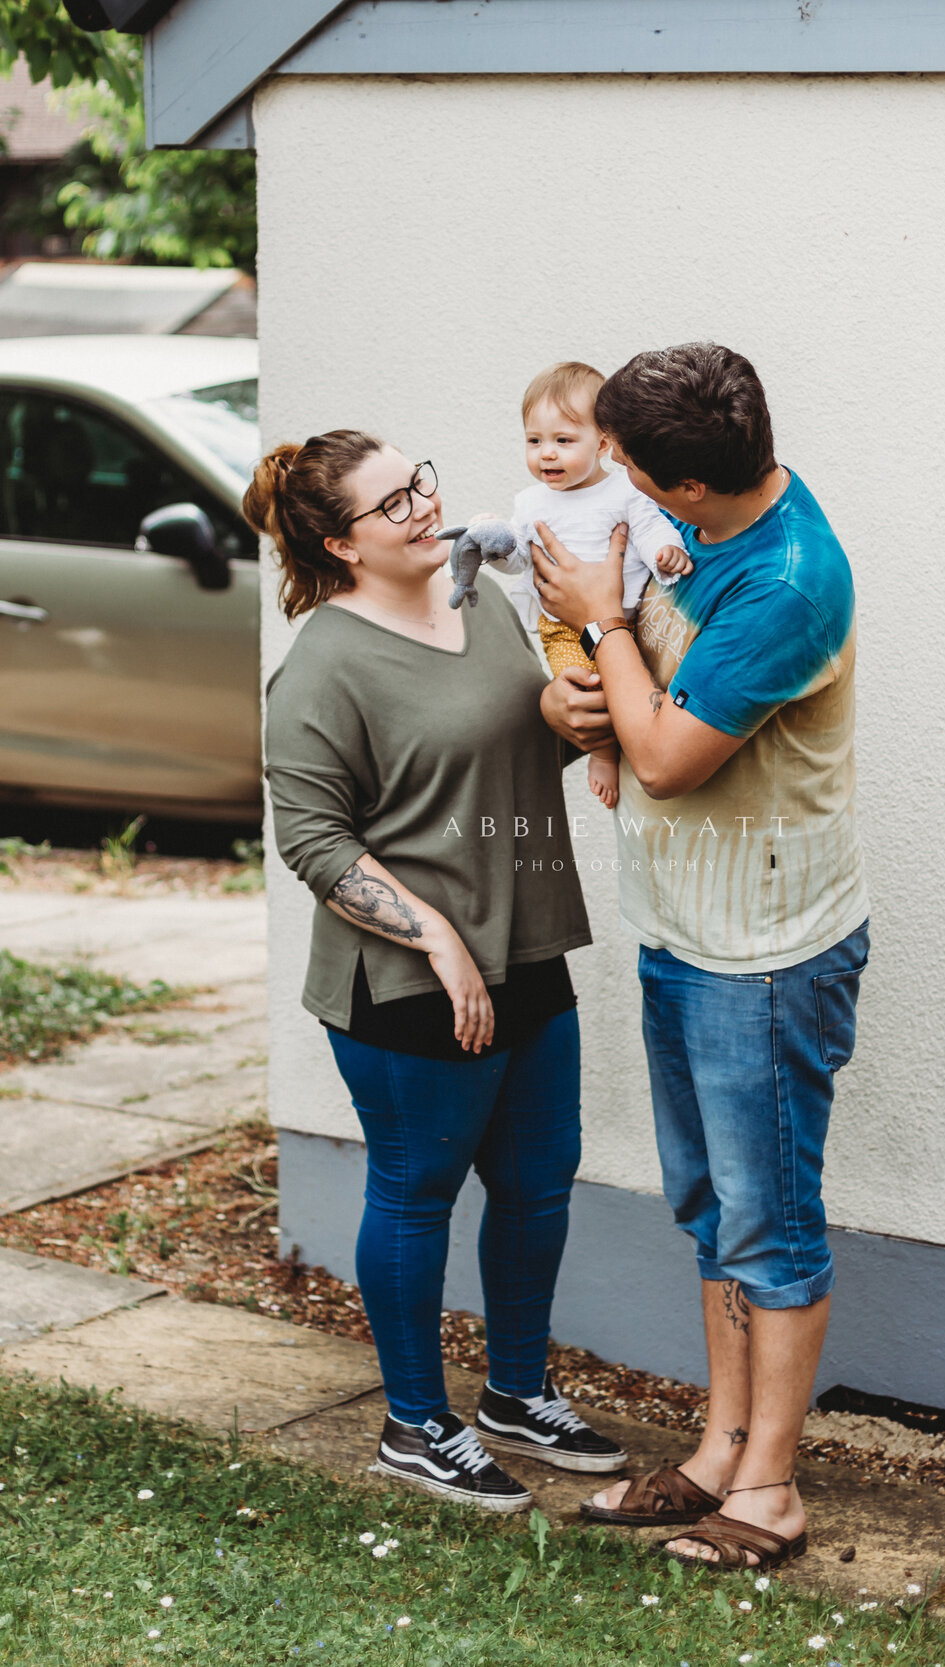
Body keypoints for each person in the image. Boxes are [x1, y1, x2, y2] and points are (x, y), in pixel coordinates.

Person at [531, 343, 869, 1574]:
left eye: (622, 459)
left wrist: (603, 624)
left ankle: (769, 1490)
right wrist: (581, 696)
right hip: (685, 923)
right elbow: (635, 709)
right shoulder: (709, 515)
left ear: (682, 486)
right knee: (713, 1209)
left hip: (764, 953)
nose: (602, 470)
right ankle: (724, 1444)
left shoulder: (784, 579)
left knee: (769, 1222)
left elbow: (671, 757)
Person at [254, 430, 629, 1512]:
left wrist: (576, 720)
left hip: (526, 941)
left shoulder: (485, 601)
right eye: (393, 503)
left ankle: (514, 1393)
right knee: (416, 1193)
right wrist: (433, 932)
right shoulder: (323, 663)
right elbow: (315, 841)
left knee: (536, 1179)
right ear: (339, 540)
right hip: (410, 981)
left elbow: (509, 745)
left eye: (421, 482)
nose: (426, 506)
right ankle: (414, 1423)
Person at [501, 361, 691, 810]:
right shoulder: (529, 503)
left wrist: (666, 550)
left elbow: (648, 528)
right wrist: (496, 546)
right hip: (561, 627)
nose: (547, 453)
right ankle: (602, 754)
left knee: (626, 684)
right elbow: (517, 557)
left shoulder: (625, 490)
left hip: (625, 620)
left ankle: (624, 743)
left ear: (603, 443)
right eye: (534, 441)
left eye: (563, 441)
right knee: (586, 686)